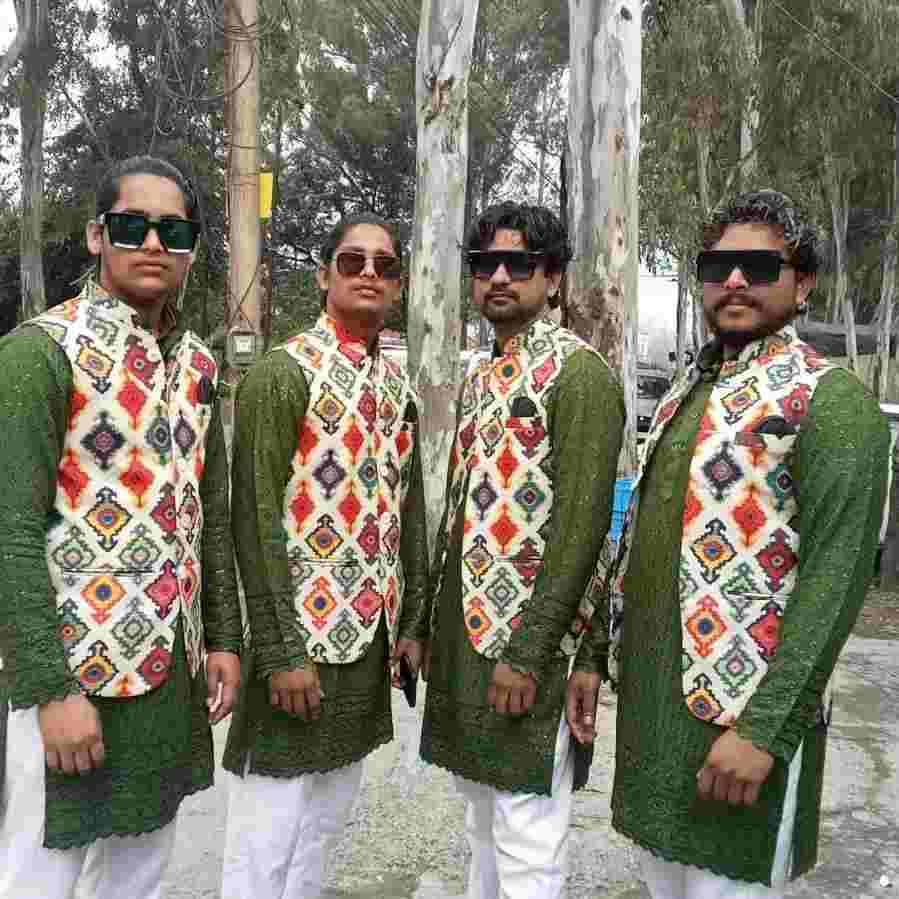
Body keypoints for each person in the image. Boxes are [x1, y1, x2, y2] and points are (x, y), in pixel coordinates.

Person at [568, 189, 890, 898]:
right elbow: (635, 541)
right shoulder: (689, 389)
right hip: (658, 726)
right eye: (718, 266)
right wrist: (591, 653)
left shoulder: (829, 400)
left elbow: (835, 583)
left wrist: (764, 732)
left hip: (742, 731)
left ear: (802, 284)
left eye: (760, 266)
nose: (736, 280)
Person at [0, 155, 242, 898]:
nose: (154, 244)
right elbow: (11, 530)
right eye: (133, 226)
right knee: (41, 872)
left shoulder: (196, 364)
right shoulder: (41, 351)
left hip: (170, 669)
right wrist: (50, 691)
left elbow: (206, 512)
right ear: (97, 235)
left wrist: (224, 639)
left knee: (142, 867)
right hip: (72, 673)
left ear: (192, 247)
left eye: (174, 231)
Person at [220, 213, 430, 899]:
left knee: (324, 826)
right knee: (265, 836)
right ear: (323, 275)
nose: (369, 273)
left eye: (384, 265)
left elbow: (408, 511)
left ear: (398, 284)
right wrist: (281, 651)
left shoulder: (395, 388)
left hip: (365, 645)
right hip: (297, 647)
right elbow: (252, 518)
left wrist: (412, 623)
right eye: (352, 260)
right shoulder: (284, 373)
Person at [420, 202, 624, 899]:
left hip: (528, 651)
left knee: (528, 834)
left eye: (520, 263)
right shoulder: (483, 377)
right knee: (482, 821)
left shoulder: (579, 375)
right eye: (485, 264)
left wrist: (532, 653)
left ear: (554, 278)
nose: (500, 277)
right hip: (470, 644)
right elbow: (459, 513)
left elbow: (582, 530)